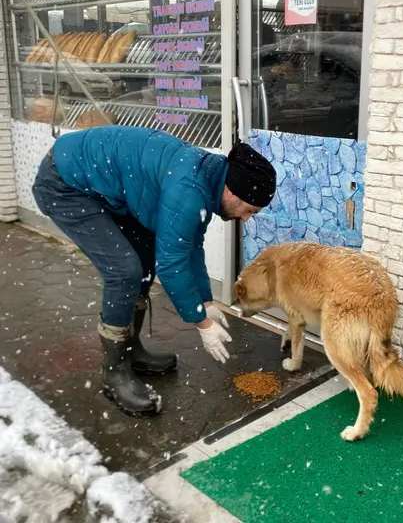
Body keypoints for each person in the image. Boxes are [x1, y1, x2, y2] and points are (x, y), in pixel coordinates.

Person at [31, 126, 276, 417]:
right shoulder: (189, 189)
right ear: (232, 191)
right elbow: (171, 266)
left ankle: (131, 350)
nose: (246, 219)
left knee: (143, 260)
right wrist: (201, 323)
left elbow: (190, 245)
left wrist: (206, 302)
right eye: (249, 209)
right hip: (65, 183)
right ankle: (114, 372)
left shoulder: (208, 179)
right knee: (124, 271)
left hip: (102, 183)